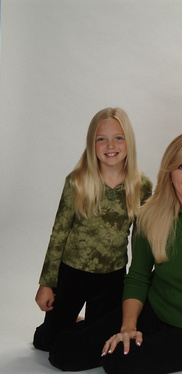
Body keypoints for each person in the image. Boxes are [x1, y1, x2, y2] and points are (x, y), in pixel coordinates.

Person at [48, 133, 182, 374]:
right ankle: (89, 327)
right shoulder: (151, 214)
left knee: (118, 364)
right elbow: (138, 276)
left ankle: (98, 329)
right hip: (155, 312)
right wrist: (128, 328)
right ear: (169, 173)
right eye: (181, 166)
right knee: (62, 352)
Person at [33, 107, 152, 352]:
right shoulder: (77, 181)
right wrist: (46, 283)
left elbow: (141, 239)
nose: (111, 145)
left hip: (111, 276)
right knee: (47, 343)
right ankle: (64, 324)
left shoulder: (141, 185)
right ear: (92, 143)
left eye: (118, 138)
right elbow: (59, 234)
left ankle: (84, 325)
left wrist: (137, 282)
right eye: (102, 139)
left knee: (98, 343)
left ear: (128, 141)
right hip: (72, 273)